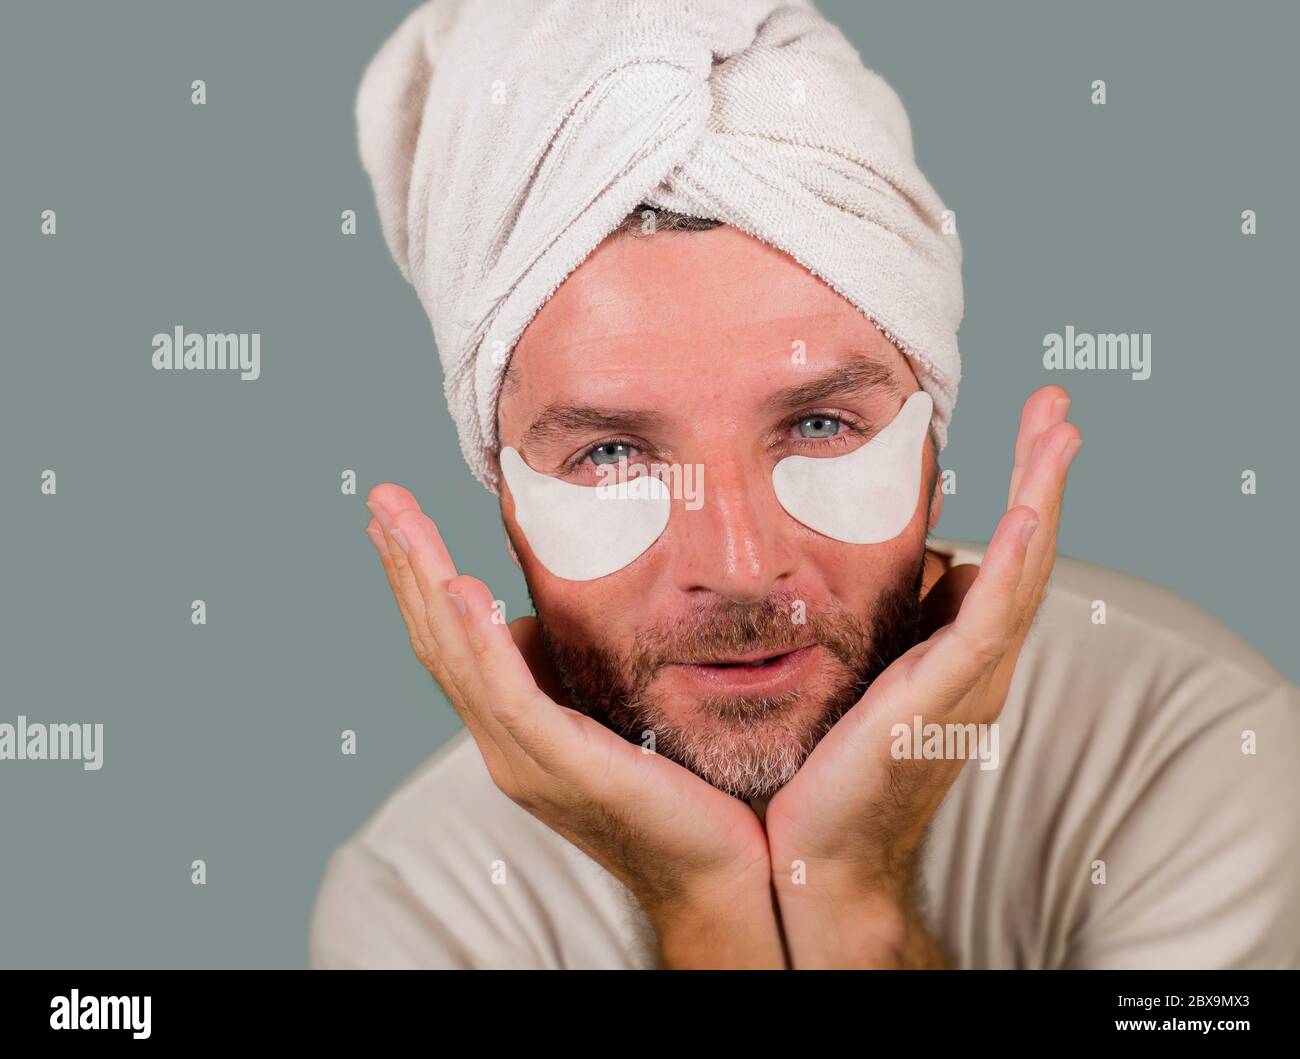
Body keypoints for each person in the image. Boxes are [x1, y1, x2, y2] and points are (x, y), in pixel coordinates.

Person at [309, 0, 1300, 969]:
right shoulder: (422, 913)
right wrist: (701, 904)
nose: (739, 569)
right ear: (506, 504)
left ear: (931, 463)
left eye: (818, 428)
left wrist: (852, 894)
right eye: (611, 455)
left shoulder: (1204, 761)